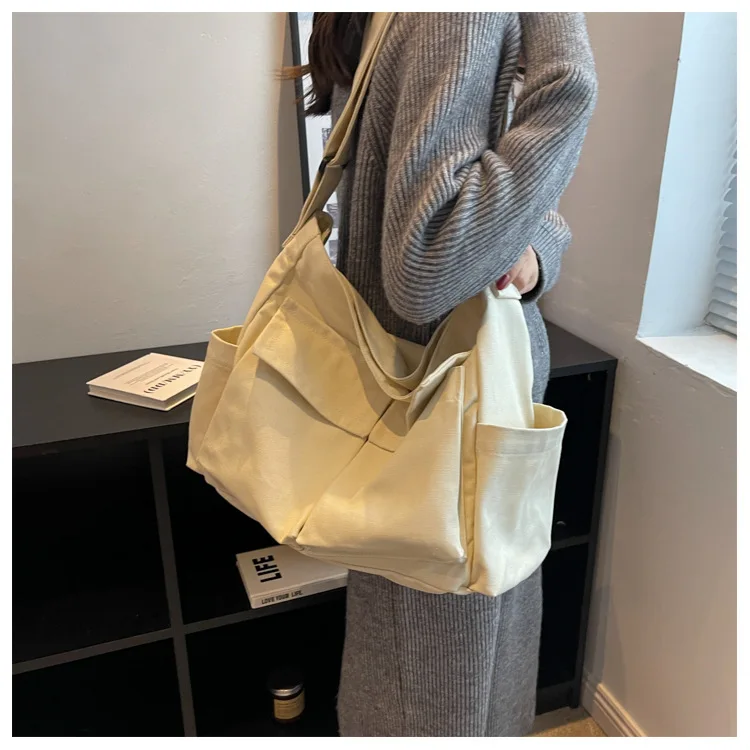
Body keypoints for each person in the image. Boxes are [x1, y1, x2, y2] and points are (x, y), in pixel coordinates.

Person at [290, 12, 597, 737]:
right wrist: (568, 70)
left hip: (449, 407)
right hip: (449, 414)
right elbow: (429, 262)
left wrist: (538, 246)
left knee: (428, 672)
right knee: (441, 697)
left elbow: (460, 224)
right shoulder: (457, 13)